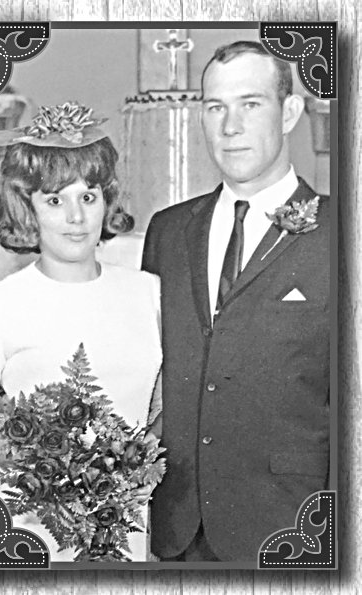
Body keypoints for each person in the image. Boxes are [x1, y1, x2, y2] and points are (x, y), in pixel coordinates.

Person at [142, 41, 330, 562]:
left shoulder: (343, 234)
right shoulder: (168, 230)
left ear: (289, 112)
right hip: (178, 529)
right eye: (214, 107)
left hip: (295, 526)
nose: (229, 127)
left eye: (250, 104)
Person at [0, 102, 162, 561]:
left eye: (89, 196)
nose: (76, 217)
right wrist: (56, 464)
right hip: (28, 525)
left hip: (123, 523)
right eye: (55, 200)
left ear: (108, 200)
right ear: (28, 207)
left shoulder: (151, 293)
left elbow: (168, 406)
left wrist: (132, 469)